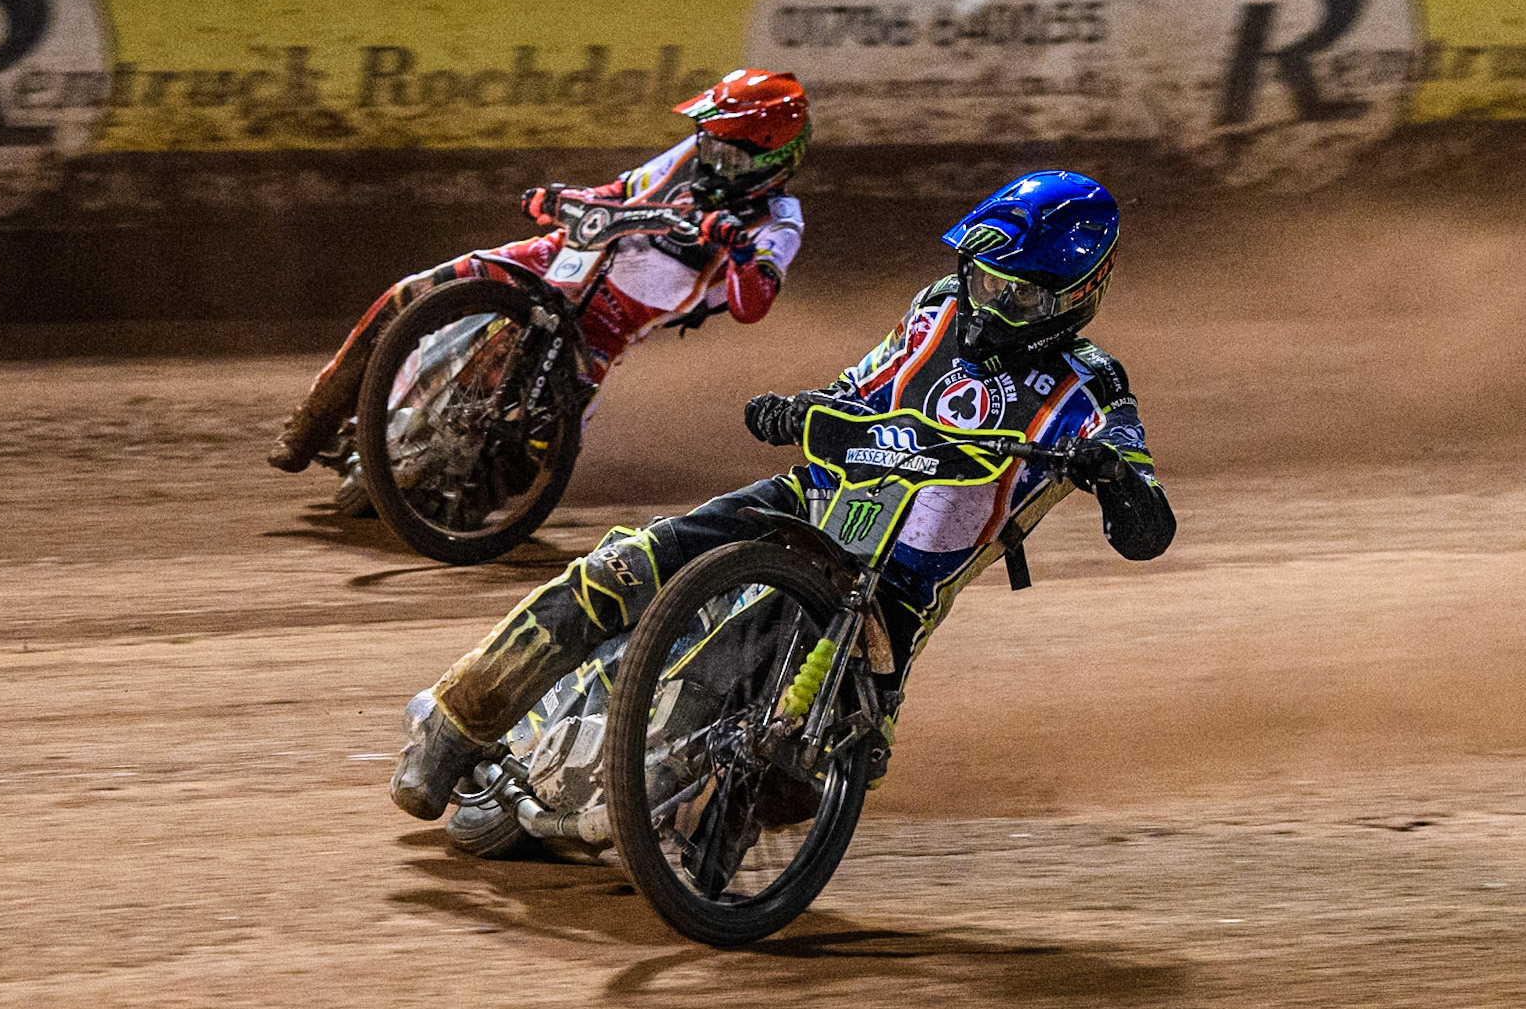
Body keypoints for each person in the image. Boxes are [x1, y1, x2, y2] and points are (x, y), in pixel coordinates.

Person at [391, 170, 1177, 820]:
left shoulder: (1094, 390)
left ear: (1077, 295)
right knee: (624, 565)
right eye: (983, 280)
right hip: (816, 495)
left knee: (782, 773)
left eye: (1017, 297)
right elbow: (860, 387)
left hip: (889, 597)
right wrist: (799, 407)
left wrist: (1111, 476)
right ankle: (457, 721)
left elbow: (1149, 526)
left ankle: (658, 815)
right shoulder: (939, 304)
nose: (988, 304)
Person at [267, 68, 811, 473]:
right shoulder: (693, 154)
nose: (712, 159)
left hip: (604, 327)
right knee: (413, 294)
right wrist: (564, 198)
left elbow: (752, 306)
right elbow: (620, 191)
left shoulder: (779, 221)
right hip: (554, 257)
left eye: (730, 155)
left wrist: (739, 250)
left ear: (772, 159)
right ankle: (311, 422)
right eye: (708, 143)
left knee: (539, 456)